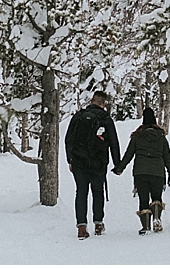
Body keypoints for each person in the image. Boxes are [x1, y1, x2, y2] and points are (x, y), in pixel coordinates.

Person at [64, 90, 121, 240]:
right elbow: (114, 143)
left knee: (81, 192)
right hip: (98, 163)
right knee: (98, 191)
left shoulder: (78, 116)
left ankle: (81, 227)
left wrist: (70, 159)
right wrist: (117, 164)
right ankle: (98, 224)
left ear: (91, 101)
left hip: (79, 162)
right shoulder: (106, 119)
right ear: (104, 104)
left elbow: (69, 139)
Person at [112, 107, 170, 235]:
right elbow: (167, 156)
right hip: (157, 172)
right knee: (157, 197)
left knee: (143, 199)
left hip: (140, 172)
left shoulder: (137, 136)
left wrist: (119, 168)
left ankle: (146, 226)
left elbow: (128, 155)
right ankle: (157, 218)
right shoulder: (161, 137)